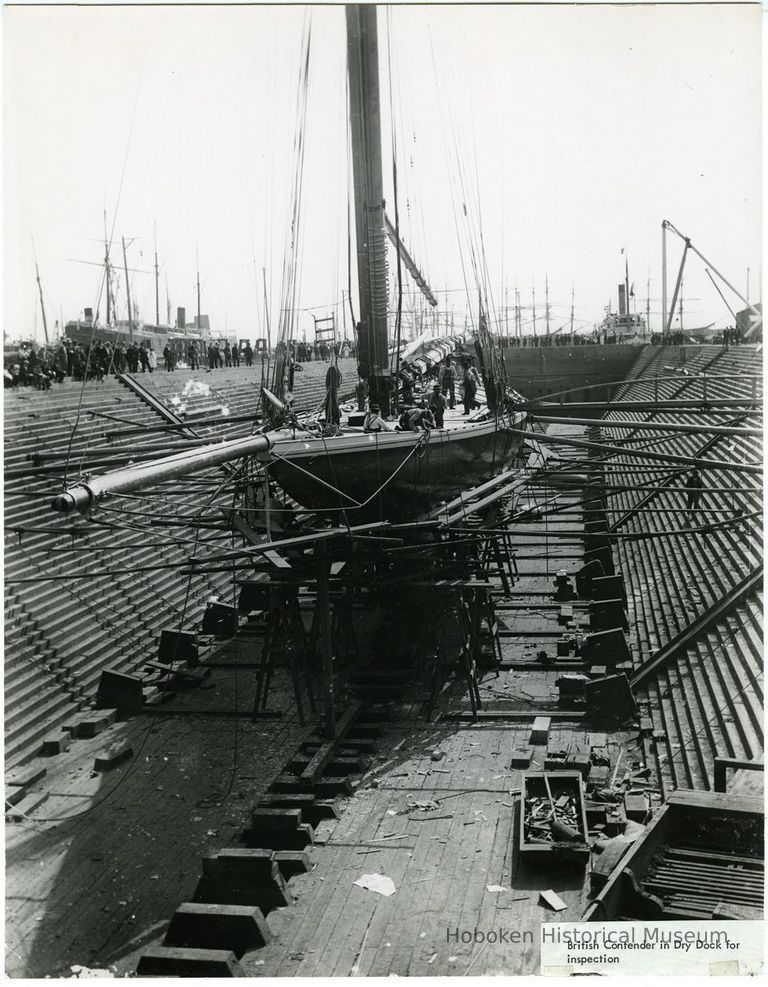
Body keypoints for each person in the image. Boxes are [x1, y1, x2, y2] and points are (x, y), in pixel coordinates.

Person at [324, 358, 342, 425]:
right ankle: (333, 421)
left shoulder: (333, 370)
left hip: (332, 390)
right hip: (332, 390)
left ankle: (332, 421)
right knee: (333, 405)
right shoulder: (334, 370)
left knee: (332, 405)